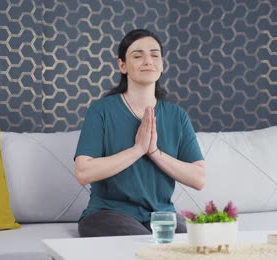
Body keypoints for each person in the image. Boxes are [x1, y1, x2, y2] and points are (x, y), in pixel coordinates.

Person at [74, 29, 206, 237]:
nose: (148, 60)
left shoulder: (176, 115)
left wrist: (154, 152)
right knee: (144, 245)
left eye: (154, 55)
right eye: (138, 55)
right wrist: (138, 149)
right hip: (107, 214)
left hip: (162, 215)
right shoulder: (101, 111)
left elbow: (198, 178)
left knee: (197, 243)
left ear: (161, 65)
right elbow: (83, 172)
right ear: (122, 66)